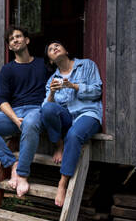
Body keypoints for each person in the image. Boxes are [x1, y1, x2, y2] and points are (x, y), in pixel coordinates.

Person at [0, 26, 50, 197]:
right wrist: (15, 119)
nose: (15, 40)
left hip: (36, 110)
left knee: (30, 122)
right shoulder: (7, 70)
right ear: (9, 47)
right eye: (11, 39)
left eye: (18, 36)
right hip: (14, 112)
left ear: (27, 40)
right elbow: (2, 101)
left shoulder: (42, 65)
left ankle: (22, 175)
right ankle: (12, 163)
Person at [40, 41, 102, 207]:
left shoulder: (87, 65)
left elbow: (97, 91)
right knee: (47, 109)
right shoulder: (52, 79)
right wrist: (52, 93)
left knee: (74, 135)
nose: (54, 48)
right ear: (51, 60)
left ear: (66, 50)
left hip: (88, 114)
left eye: (57, 46)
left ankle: (62, 182)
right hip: (68, 118)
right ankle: (59, 145)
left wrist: (73, 86)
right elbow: (47, 109)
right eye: (51, 49)